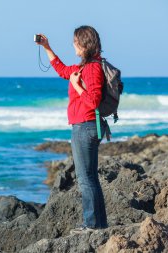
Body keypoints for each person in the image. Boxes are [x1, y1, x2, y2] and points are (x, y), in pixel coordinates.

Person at [36, 25, 108, 233]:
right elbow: (61, 70)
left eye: (75, 41)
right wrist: (47, 47)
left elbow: (93, 100)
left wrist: (77, 86)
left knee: (85, 179)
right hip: (84, 126)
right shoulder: (83, 67)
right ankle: (100, 224)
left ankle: (92, 225)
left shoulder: (93, 68)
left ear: (84, 43)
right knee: (90, 177)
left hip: (85, 126)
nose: (73, 44)